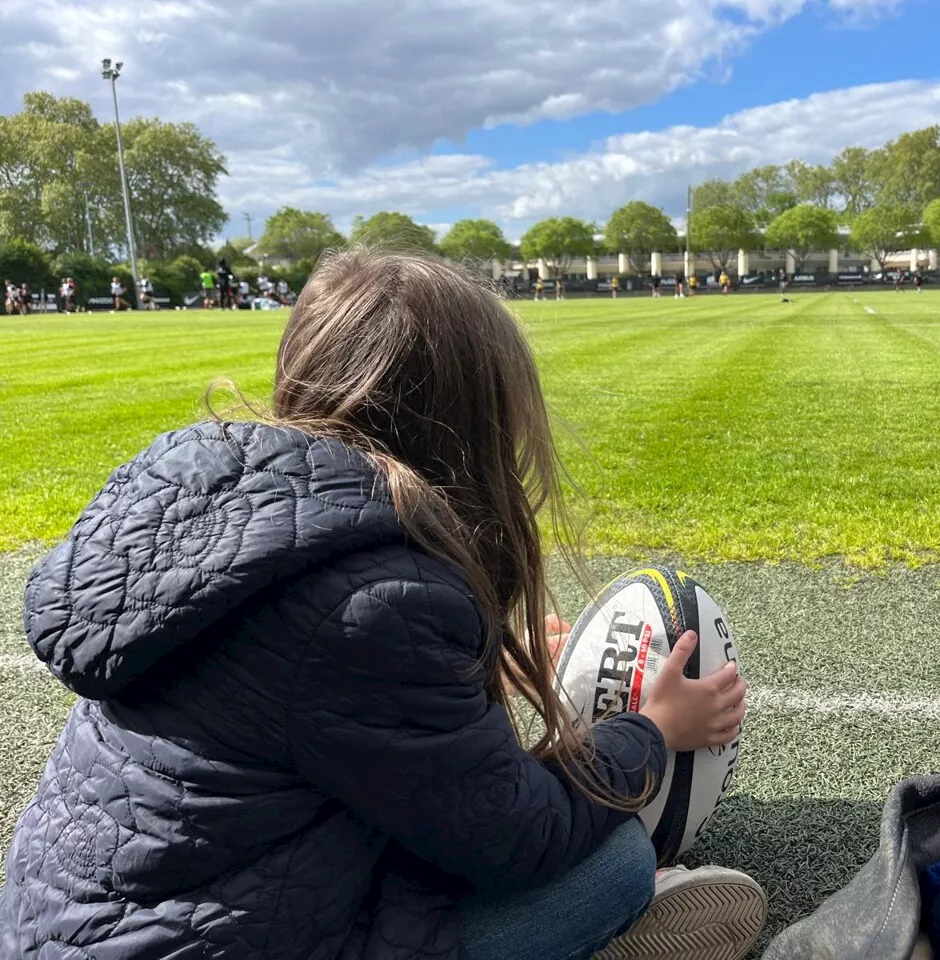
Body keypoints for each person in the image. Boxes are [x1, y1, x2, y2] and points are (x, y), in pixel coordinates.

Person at [0, 249, 764, 960]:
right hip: (198, 938)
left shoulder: (226, 514)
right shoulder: (380, 606)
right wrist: (653, 732)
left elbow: (279, 696)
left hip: (61, 924)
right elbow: (521, 834)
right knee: (617, 866)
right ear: (472, 426)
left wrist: (471, 668)